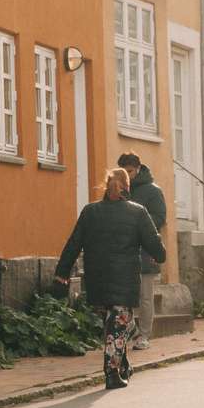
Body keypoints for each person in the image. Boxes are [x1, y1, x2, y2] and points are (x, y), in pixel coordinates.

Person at [53, 167, 166, 390]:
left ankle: (123, 365)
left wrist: (62, 272)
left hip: (96, 280)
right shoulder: (138, 212)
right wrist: (159, 254)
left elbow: (73, 243)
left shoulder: (90, 211)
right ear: (127, 186)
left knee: (114, 325)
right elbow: (155, 246)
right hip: (124, 280)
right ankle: (112, 372)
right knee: (119, 325)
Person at [117, 151, 166, 350]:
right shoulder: (118, 187)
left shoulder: (153, 191)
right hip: (123, 249)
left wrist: (137, 226)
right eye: (124, 171)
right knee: (123, 295)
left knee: (145, 295)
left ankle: (145, 334)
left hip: (145, 249)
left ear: (138, 168)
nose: (127, 175)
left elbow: (159, 218)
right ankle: (132, 330)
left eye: (130, 171)